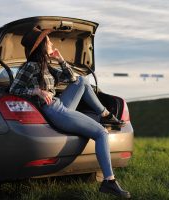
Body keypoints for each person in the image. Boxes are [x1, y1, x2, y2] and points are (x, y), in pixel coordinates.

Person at [9, 27, 130, 198]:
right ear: (42, 45)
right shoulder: (30, 66)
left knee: (81, 81)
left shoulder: (46, 65)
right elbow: (14, 89)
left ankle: (105, 114)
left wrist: (60, 59)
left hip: (60, 105)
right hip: (53, 111)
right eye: (49, 41)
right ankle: (109, 181)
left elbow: (72, 79)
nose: (51, 43)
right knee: (101, 133)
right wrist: (35, 91)